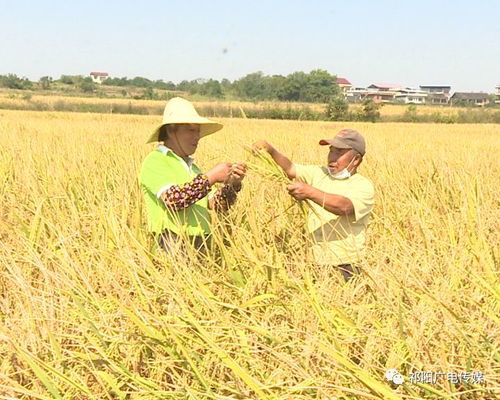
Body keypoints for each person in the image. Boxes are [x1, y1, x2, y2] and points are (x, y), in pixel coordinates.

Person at [253, 129, 374, 281]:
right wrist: (269, 149)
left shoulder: (362, 185)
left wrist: (310, 192)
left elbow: (344, 207)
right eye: (331, 151)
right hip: (314, 262)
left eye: (339, 152)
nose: (332, 157)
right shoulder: (319, 173)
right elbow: (290, 169)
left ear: (355, 160)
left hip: (346, 265)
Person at [139, 97, 246, 253]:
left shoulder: (193, 168)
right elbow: (174, 200)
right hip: (171, 244)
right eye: (191, 130)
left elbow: (218, 205)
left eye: (198, 130)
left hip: (201, 244)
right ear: (171, 130)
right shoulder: (156, 161)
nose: (197, 136)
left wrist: (233, 184)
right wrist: (211, 177)